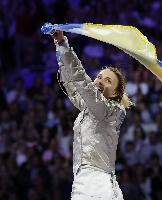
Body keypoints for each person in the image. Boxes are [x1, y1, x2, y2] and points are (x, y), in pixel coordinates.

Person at [51, 30, 132, 199]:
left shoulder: (113, 111)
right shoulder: (90, 109)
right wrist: (60, 46)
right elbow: (73, 88)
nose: (100, 81)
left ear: (115, 94)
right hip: (89, 182)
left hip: (95, 185)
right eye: (99, 77)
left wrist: (66, 48)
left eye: (108, 81)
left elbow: (83, 83)